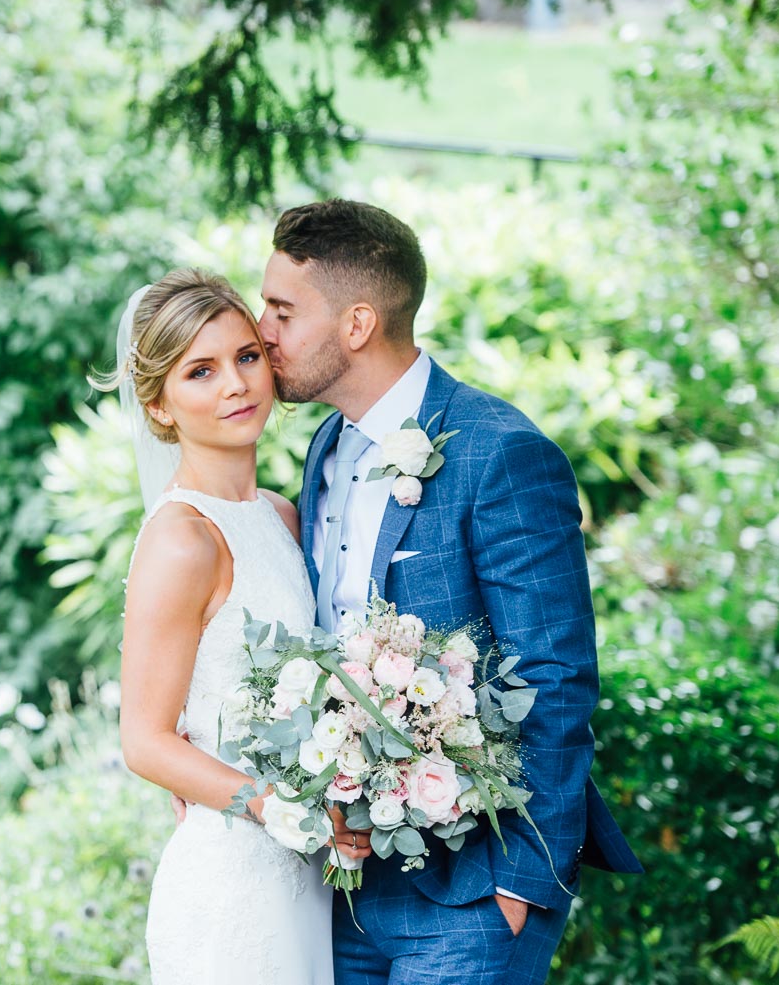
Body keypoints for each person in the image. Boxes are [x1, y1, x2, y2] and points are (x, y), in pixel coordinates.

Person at [257, 199, 643, 984]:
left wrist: (522, 885)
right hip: (348, 885)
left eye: (282, 311)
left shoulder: (502, 452)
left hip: (474, 892)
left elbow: (556, 674)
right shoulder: (325, 446)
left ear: (357, 323)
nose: (261, 330)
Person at [101, 267, 334, 985]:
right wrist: (280, 809)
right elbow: (145, 740)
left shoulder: (281, 516)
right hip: (234, 880)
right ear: (159, 405)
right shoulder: (183, 538)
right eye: (200, 371)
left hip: (310, 875)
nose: (235, 384)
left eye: (246, 356)